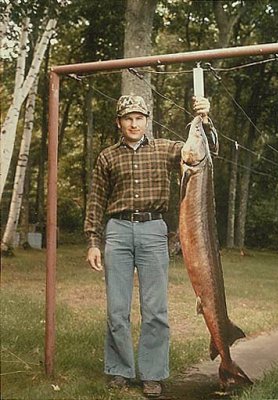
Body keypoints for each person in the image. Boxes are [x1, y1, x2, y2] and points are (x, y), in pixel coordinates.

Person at [84, 94, 218, 398]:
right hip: (116, 231)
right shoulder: (107, 156)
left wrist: (205, 119)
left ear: (147, 120)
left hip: (153, 230)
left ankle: (153, 374)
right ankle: (119, 370)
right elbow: (95, 201)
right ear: (119, 122)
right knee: (117, 309)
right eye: (128, 118)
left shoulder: (166, 149)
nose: (134, 123)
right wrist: (93, 241)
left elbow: (202, 152)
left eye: (139, 118)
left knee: (155, 309)